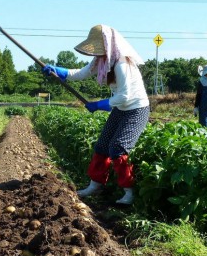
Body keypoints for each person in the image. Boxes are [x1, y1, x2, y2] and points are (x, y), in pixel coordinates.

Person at [42, 25, 150, 205]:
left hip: (136, 109)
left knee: (118, 147)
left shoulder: (122, 64)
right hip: (120, 107)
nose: (96, 54)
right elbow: (81, 73)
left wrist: (100, 104)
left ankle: (129, 192)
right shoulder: (102, 61)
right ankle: (96, 185)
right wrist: (59, 71)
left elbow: (125, 96)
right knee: (102, 145)